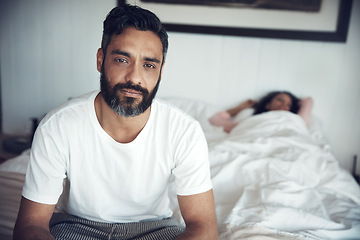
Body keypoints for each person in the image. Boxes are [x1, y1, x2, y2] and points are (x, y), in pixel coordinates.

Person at [13, 4, 217, 240]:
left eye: (149, 65)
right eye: (122, 60)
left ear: (160, 72)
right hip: (75, 227)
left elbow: (203, 226)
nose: (135, 78)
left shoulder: (184, 130)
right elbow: (31, 225)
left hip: (156, 229)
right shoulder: (58, 125)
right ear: (101, 60)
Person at [209, 91, 313, 133]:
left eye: (288, 104)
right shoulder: (255, 120)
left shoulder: (296, 121)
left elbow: (308, 101)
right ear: (267, 104)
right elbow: (216, 120)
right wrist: (241, 108)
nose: (284, 105)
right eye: (280, 100)